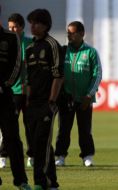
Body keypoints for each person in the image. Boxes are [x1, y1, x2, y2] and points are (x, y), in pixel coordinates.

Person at [25, 9, 64, 190]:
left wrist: (51, 101)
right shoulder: (29, 48)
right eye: (31, 23)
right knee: (35, 144)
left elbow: (58, 75)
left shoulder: (52, 45)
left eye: (36, 23)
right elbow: (28, 78)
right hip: (31, 104)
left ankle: (44, 182)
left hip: (47, 103)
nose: (32, 26)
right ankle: (47, 182)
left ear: (45, 25)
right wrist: (27, 100)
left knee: (42, 142)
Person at [54, 21, 102, 167]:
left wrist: (89, 95)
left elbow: (97, 74)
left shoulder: (91, 52)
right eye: (68, 33)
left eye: (72, 33)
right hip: (66, 97)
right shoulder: (63, 51)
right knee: (63, 129)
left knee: (85, 129)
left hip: (84, 98)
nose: (69, 36)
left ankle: (87, 156)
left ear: (82, 34)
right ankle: (60, 156)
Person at [0, 6, 32, 190]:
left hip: (5, 96)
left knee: (13, 138)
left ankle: (21, 181)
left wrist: (5, 85)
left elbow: (17, 65)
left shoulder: (10, 38)